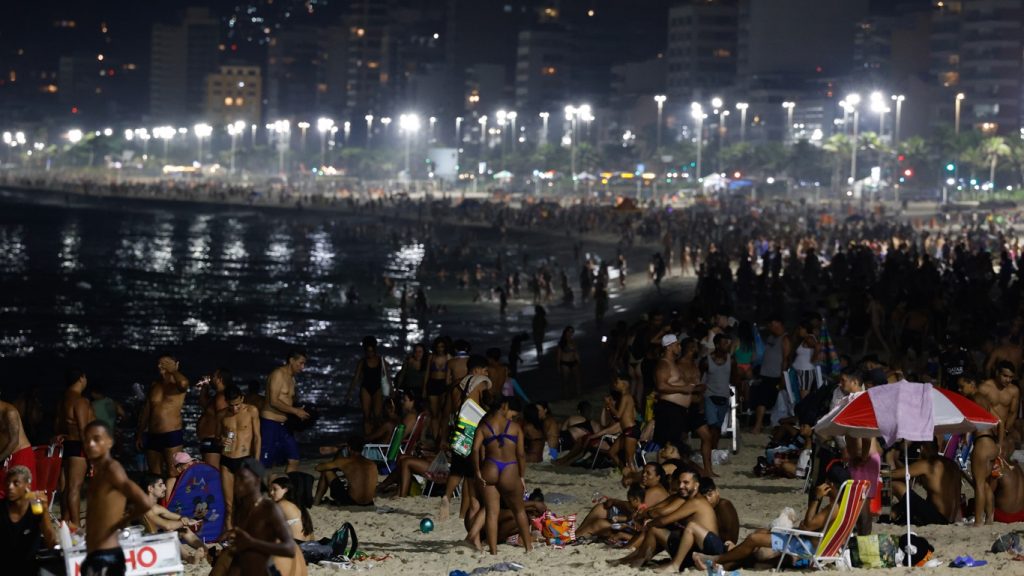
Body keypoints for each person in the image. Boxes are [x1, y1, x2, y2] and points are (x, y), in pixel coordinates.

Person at [693, 462, 852, 571]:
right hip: (817, 543)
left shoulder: (834, 507)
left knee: (754, 539)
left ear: (829, 485)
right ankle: (727, 563)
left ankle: (716, 559)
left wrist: (816, 499)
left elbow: (807, 525)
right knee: (760, 533)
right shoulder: (846, 505)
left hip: (808, 546)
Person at [82, 420, 155, 576]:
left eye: (96, 439)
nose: (90, 444)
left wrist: (122, 521)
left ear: (110, 442)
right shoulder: (98, 472)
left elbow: (146, 502)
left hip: (106, 555)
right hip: (95, 554)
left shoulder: (112, 469)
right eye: (86, 440)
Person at [466, 396, 531, 554]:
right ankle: (529, 548)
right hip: (509, 468)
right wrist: (522, 476)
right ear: (504, 407)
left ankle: (493, 551)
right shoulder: (515, 427)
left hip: (490, 467)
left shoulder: (483, 427)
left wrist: (477, 471)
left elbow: (474, 450)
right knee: (519, 510)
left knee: (491, 512)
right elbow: (521, 454)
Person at [225, 458, 305, 576]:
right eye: (236, 479)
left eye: (243, 479)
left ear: (257, 481)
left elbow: (289, 548)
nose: (238, 484)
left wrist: (252, 543)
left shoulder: (270, 509)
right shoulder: (243, 510)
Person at [138, 355, 190, 493]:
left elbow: (184, 384)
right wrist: (139, 433)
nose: (162, 366)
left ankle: (174, 506)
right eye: (160, 363)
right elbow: (147, 410)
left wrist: (173, 371)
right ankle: (157, 508)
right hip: (152, 434)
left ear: (176, 365)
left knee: (174, 472)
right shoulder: (155, 385)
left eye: (166, 363)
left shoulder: (178, 384)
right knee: (154, 474)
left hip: (171, 434)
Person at [959, 373, 1004, 525]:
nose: (960, 390)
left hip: (982, 443)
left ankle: (978, 521)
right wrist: (1000, 445)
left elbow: (971, 420)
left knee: (978, 483)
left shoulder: (974, 398)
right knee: (984, 483)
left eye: (962, 386)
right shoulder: (984, 400)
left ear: (971, 384)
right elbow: (1000, 422)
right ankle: (990, 519)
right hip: (991, 444)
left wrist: (966, 434)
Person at [219, 384, 261, 529]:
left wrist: (256, 463)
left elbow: (257, 438)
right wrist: (221, 440)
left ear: (242, 398)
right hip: (226, 460)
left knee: (245, 502)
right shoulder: (222, 415)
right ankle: (229, 539)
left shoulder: (251, 411)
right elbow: (218, 437)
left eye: (237, 404)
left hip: (244, 460)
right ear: (226, 401)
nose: (235, 409)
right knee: (229, 505)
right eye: (231, 405)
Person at [261, 350, 310, 473]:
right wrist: (295, 411)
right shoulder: (278, 374)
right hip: (270, 422)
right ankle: (255, 489)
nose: (302, 367)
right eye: (300, 363)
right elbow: (273, 401)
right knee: (264, 462)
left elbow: (289, 402)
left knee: (294, 459)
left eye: (304, 364)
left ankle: (287, 490)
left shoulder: (292, 379)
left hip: (284, 424)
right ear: (291, 360)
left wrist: (301, 411)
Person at [890, 442, 962, 526]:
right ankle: (892, 514)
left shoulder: (928, 464)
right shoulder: (952, 464)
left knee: (897, 485)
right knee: (904, 504)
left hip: (936, 519)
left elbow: (894, 474)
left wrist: (892, 457)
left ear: (921, 448)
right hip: (951, 519)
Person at [2, 466, 56, 575]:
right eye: (8, 483)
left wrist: (45, 511)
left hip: (29, 568)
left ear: (28, 486)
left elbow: (50, 540)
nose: (10, 487)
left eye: (16, 483)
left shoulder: (36, 509)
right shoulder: (2, 508)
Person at [58, 368, 94, 529]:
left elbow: (57, 426)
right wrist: (91, 457)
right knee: (75, 488)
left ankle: (66, 522)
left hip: (67, 445)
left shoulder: (63, 400)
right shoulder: (80, 401)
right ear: (82, 378)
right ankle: (77, 527)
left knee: (67, 488)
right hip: (79, 446)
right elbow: (83, 429)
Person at [140, 474, 207, 559]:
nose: (165, 488)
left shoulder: (157, 507)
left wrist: (188, 520)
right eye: (160, 485)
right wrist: (183, 522)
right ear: (150, 488)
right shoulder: (144, 507)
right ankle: (189, 558)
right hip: (146, 547)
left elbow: (178, 517)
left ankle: (206, 551)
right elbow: (167, 526)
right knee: (170, 532)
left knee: (184, 529)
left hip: (157, 541)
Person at [700, 333, 738, 450]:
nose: (727, 345)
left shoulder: (731, 360)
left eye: (727, 343)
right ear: (717, 345)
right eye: (724, 343)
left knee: (717, 426)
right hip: (709, 396)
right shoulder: (706, 361)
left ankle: (713, 449)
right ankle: (710, 449)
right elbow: (700, 379)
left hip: (724, 396)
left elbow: (735, 378)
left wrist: (737, 394)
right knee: (712, 425)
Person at [347, 336, 391, 434]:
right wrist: (350, 392)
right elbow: (356, 378)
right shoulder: (362, 362)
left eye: (371, 351)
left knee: (377, 416)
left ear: (375, 350)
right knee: (366, 416)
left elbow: (387, 377)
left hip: (377, 389)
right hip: (365, 388)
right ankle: (367, 439)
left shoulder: (381, 361)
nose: (370, 353)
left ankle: (376, 437)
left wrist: (391, 391)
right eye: (368, 351)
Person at [753, 318, 790, 435]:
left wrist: (783, 376)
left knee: (766, 401)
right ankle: (760, 425)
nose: (771, 327)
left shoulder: (785, 339)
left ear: (780, 324)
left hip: (775, 375)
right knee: (762, 400)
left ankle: (759, 426)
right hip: (765, 374)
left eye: (773, 325)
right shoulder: (771, 337)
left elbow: (786, 359)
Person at [313, 440, 378, 507]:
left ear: (349, 448)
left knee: (326, 471)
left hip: (351, 502)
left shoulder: (345, 461)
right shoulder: (372, 464)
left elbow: (318, 468)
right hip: (369, 503)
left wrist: (339, 451)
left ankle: (316, 502)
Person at [0, 400, 34, 499]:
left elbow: (14, 441)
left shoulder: (10, 412)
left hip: (20, 455)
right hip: (5, 457)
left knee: (22, 495)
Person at [197, 369, 230, 468]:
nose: (211, 378)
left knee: (212, 473)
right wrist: (205, 386)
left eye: (214, 376)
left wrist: (222, 440)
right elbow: (203, 404)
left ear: (219, 379)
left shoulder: (221, 397)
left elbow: (223, 419)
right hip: (209, 440)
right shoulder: (216, 396)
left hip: (214, 440)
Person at [605, 376, 639, 470]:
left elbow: (618, 415)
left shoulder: (626, 396)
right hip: (627, 430)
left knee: (630, 459)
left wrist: (610, 405)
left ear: (624, 384)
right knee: (611, 452)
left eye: (617, 383)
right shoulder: (627, 397)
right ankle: (625, 472)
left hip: (631, 430)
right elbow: (634, 415)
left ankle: (633, 478)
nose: (615, 385)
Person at [269, 476, 313, 541]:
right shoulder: (296, 503)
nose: (271, 493)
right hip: (308, 544)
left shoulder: (282, 504)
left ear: (286, 490)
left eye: (275, 489)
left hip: (297, 545)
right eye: (270, 490)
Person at [424, 337, 451, 441]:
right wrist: (424, 389)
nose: (440, 349)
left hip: (444, 385)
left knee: (443, 413)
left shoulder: (449, 357)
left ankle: (441, 437)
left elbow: (450, 375)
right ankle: (436, 438)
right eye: (438, 346)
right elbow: (427, 373)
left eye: (442, 346)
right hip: (432, 384)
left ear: (445, 347)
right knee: (434, 413)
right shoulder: (432, 357)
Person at [555, 326, 581, 398]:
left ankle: (578, 394)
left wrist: (579, 361)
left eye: (572, 331)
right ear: (565, 332)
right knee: (565, 381)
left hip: (574, 362)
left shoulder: (573, 342)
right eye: (569, 331)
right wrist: (558, 366)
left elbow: (576, 353)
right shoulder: (562, 343)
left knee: (577, 379)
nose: (571, 333)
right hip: (565, 363)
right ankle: (566, 395)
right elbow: (558, 355)